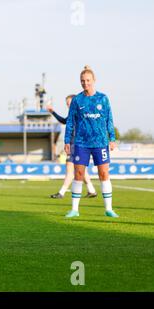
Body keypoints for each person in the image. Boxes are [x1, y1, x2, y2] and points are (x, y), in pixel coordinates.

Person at [64, 66, 118, 218]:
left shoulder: (103, 98)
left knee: (104, 173)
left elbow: (109, 119)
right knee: (79, 173)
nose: (85, 83)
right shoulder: (77, 100)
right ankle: (74, 210)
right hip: (81, 142)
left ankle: (109, 209)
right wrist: (67, 140)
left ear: (94, 81)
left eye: (88, 80)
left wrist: (112, 139)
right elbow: (70, 122)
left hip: (100, 142)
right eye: (82, 81)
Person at [47, 95, 97, 199]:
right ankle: (91, 190)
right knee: (81, 169)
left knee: (70, 169)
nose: (68, 105)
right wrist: (53, 112)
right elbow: (64, 121)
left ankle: (61, 193)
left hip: (76, 145)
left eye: (69, 103)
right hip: (77, 144)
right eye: (67, 103)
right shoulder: (74, 113)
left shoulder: (79, 113)